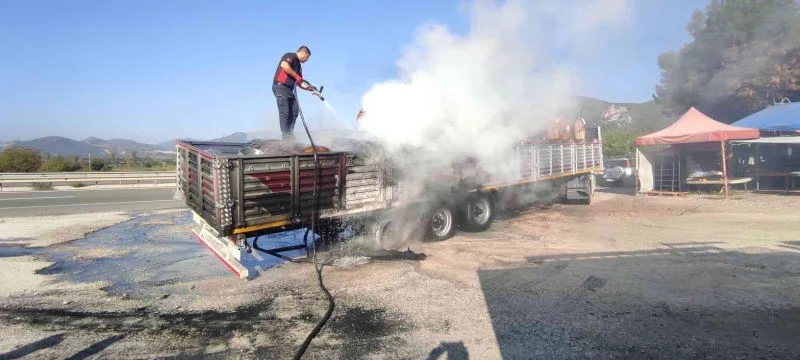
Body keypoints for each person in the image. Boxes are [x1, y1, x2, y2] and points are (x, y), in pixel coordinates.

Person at [273, 46, 315, 141]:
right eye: (307, 57)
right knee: (285, 112)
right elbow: (284, 65)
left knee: (295, 111)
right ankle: (286, 137)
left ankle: (290, 134)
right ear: (304, 53)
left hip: (289, 90)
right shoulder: (290, 56)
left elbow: (299, 81)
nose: (307, 60)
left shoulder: (298, 67)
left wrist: (309, 88)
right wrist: (296, 76)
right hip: (281, 87)